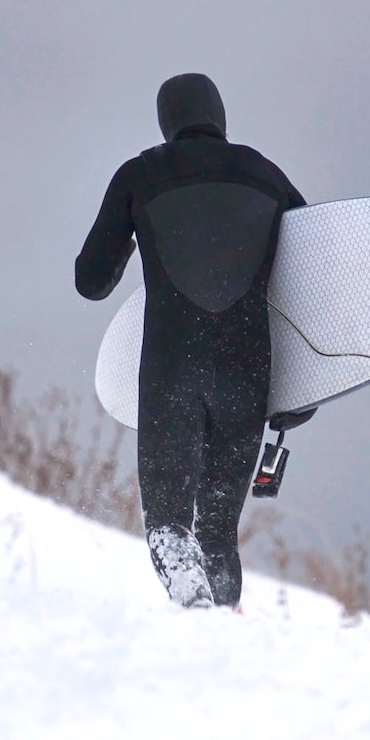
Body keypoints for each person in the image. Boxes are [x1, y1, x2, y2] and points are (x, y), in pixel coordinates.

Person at [75, 73, 312, 608]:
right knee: (217, 530)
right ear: (219, 116)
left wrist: (140, 224)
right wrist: (305, 390)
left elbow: (91, 281)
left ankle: (198, 619)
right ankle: (221, 632)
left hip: (173, 366)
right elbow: (312, 274)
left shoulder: (140, 174)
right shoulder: (267, 175)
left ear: (166, 121)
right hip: (248, 370)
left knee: (170, 528)